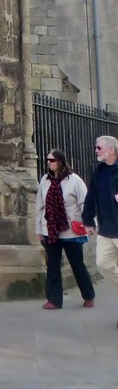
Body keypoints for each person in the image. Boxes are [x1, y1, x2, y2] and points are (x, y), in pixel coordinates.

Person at [35, 148, 95, 310]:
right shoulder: (45, 180)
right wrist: (39, 230)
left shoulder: (74, 180)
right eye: (47, 160)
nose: (49, 162)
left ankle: (88, 295)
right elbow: (40, 206)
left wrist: (87, 223)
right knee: (53, 265)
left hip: (71, 231)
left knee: (77, 264)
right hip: (51, 230)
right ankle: (54, 300)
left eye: (52, 160)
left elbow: (84, 203)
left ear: (60, 161)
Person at [83, 134, 118, 325]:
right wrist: (88, 219)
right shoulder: (99, 170)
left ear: (111, 149)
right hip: (106, 229)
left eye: (99, 148)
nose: (96, 151)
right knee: (103, 264)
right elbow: (91, 195)